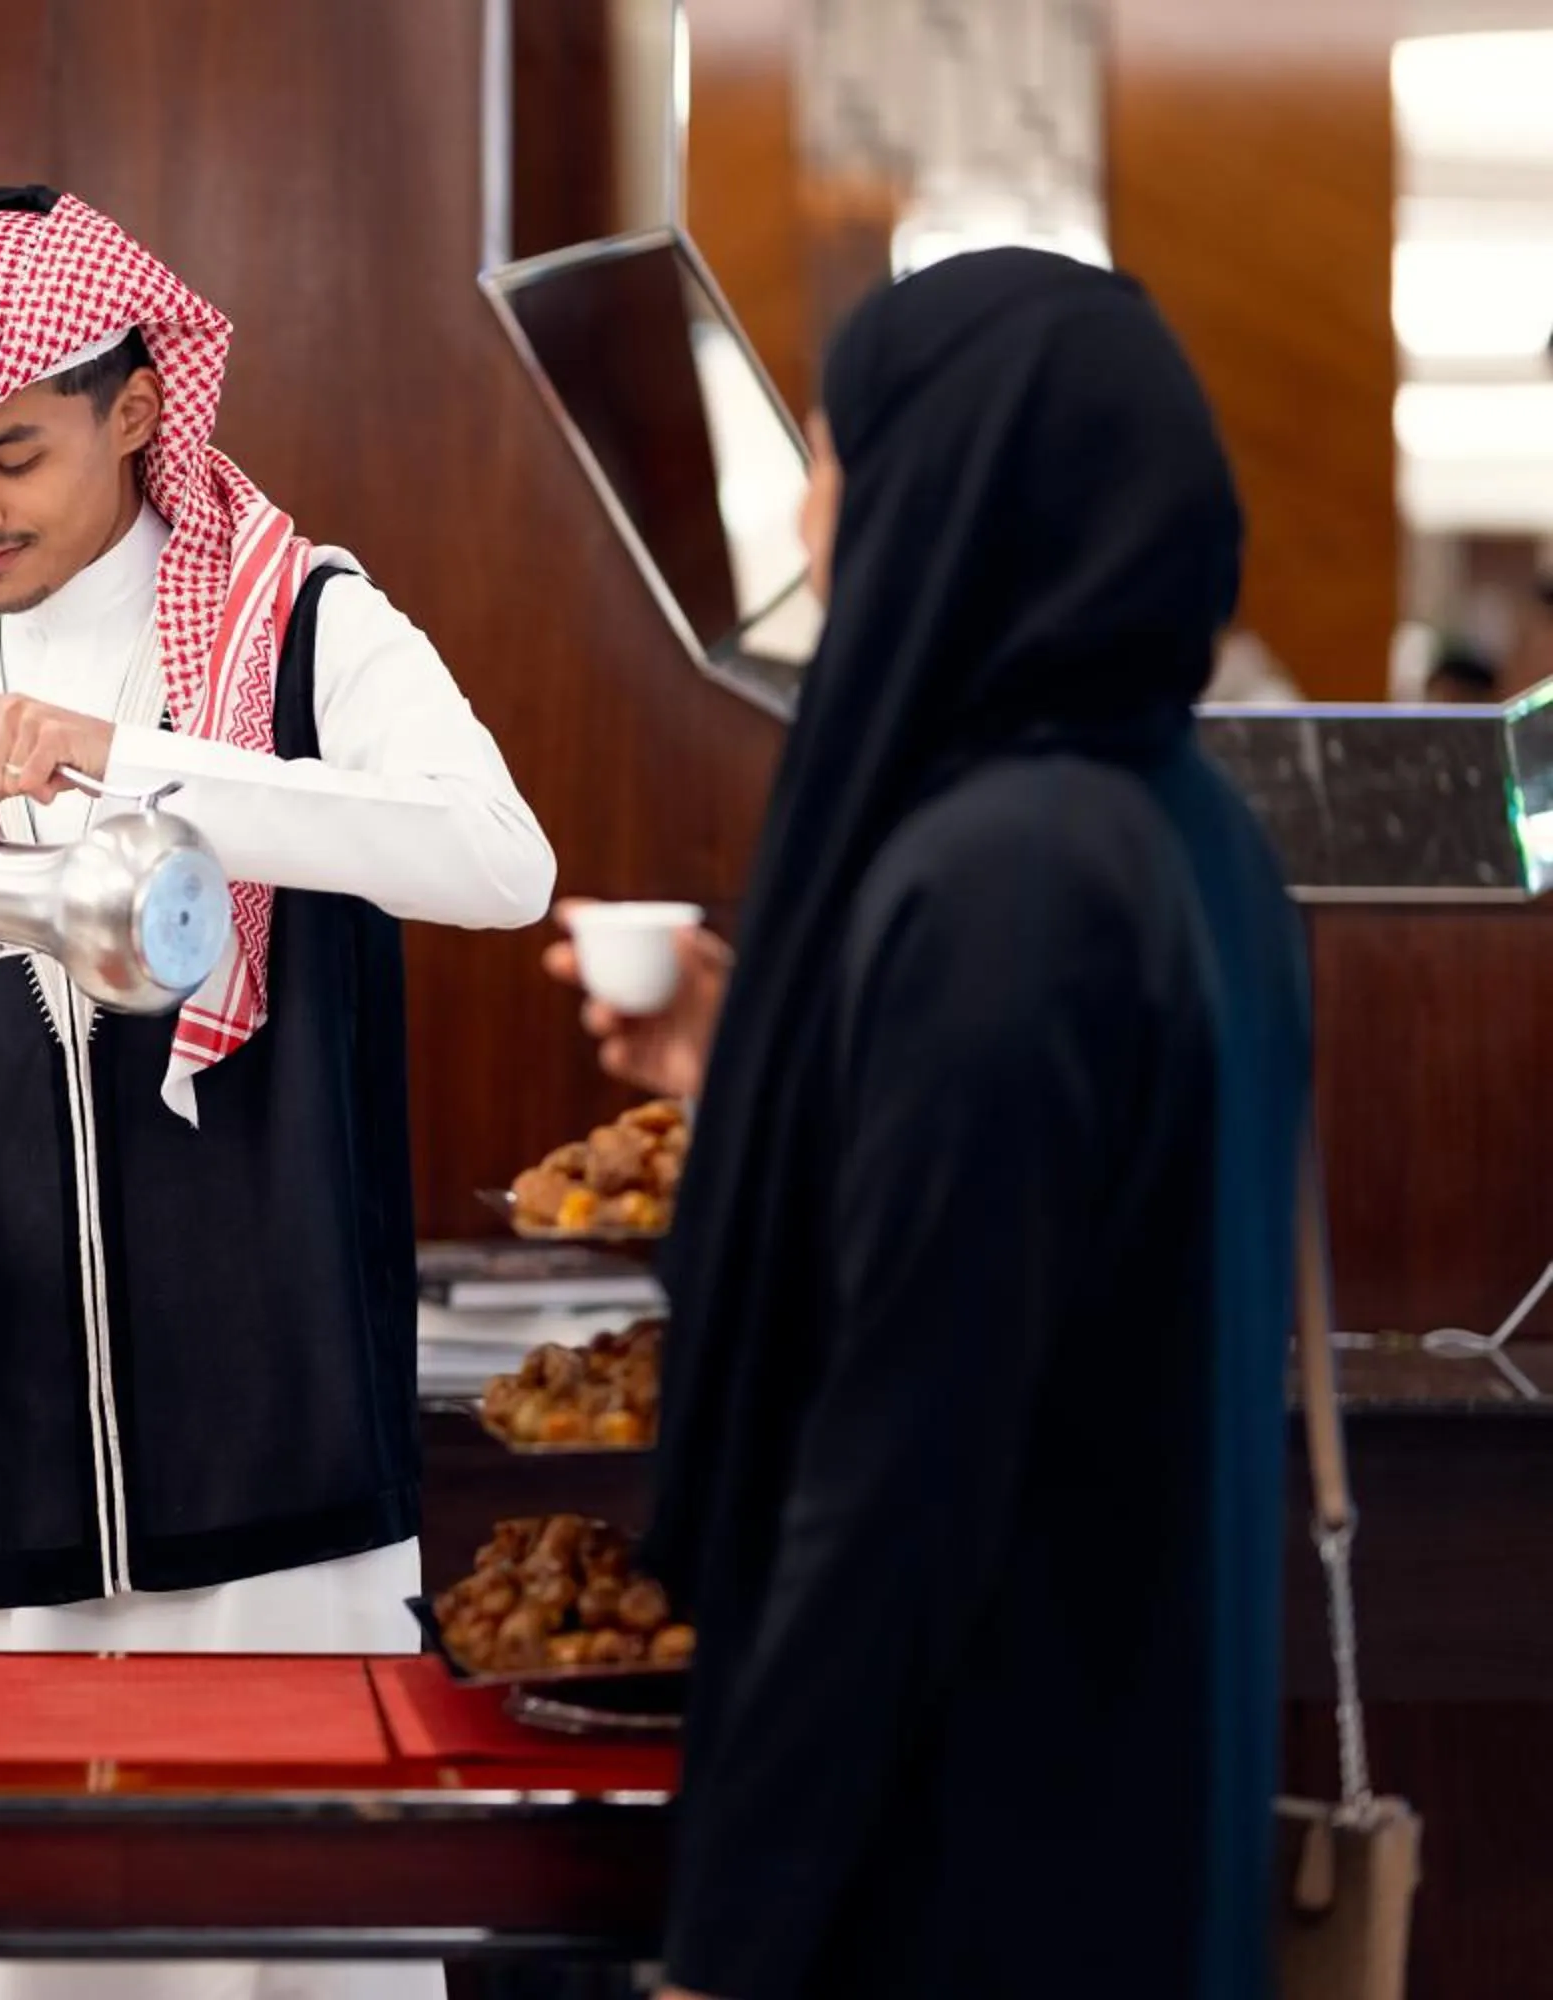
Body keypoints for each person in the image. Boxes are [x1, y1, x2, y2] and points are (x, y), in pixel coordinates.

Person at [0, 185, 553, 2000]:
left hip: (280, 1499)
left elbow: (497, 860)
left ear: (140, 406)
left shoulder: (307, 631)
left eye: (12, 457)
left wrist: (134, 761)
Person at [549, 250, 1311, 1999]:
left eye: (832, 457)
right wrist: (754, 1065)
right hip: (1121, 1814)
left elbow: (898, 1465)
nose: (808, 518)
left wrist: (728, 1945)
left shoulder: (1007, 882)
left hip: (966, 1871)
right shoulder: (1191, 837)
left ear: (944, 491)